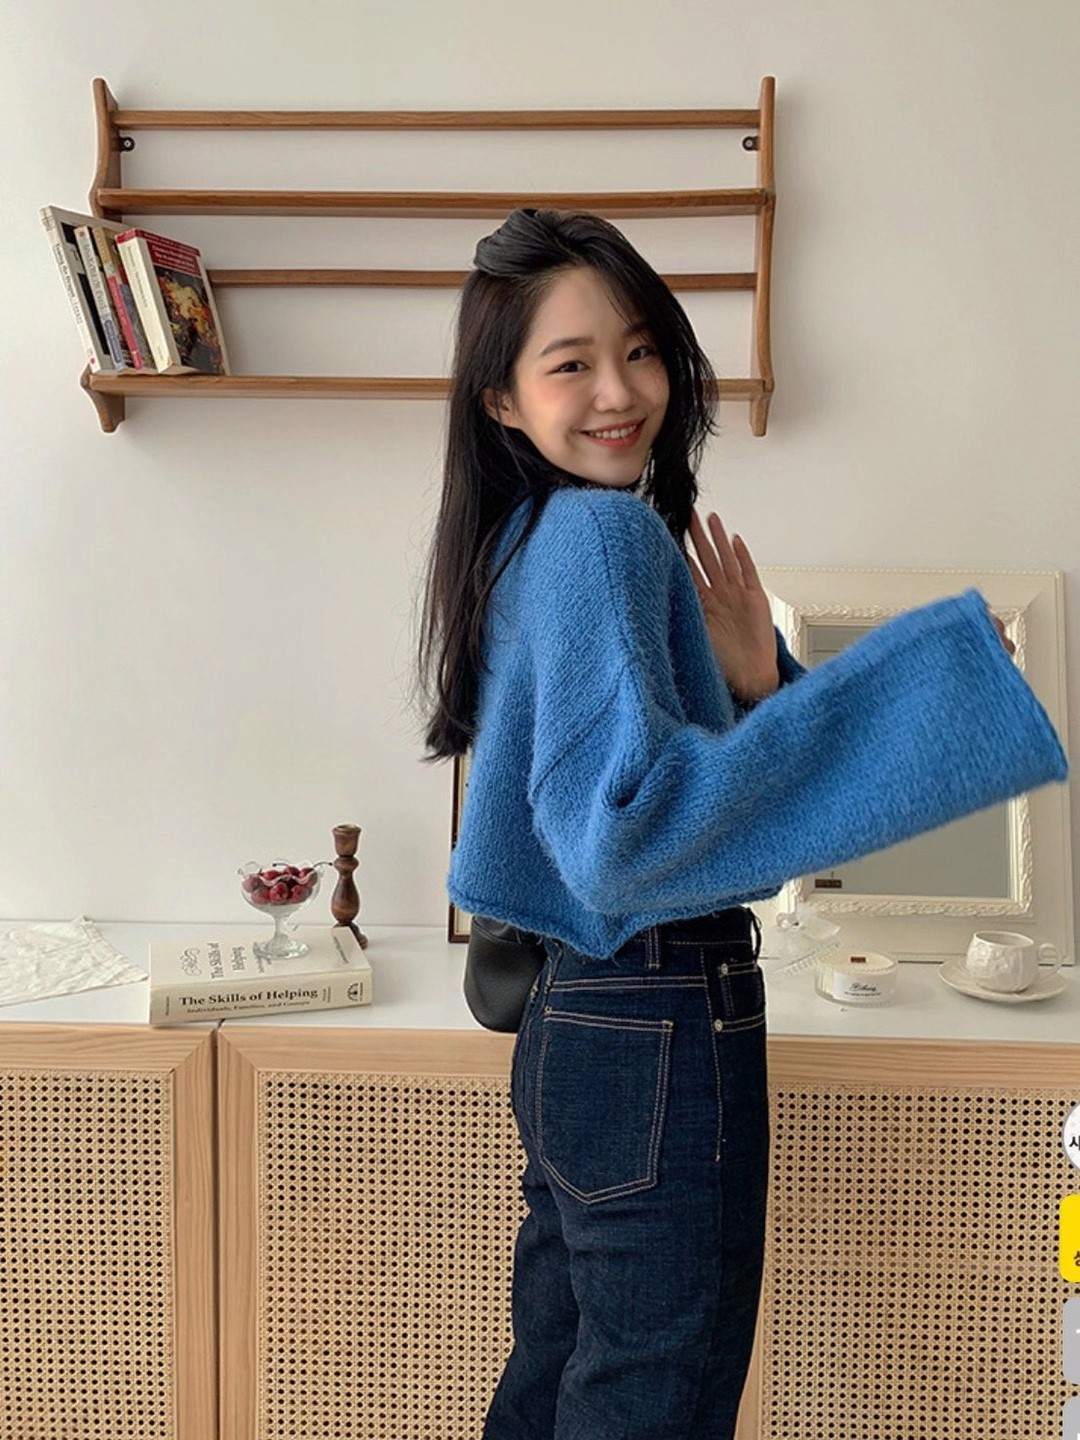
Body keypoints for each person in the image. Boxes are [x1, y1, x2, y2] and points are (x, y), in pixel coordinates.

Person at [413, 207, 1067, 1439]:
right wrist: (923, 692)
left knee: (565, 1374)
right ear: (501, 400)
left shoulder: (525, 538)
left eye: (641, 349)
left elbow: (600, 811)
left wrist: (755, 682)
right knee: (651, 1398)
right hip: (657, 1005)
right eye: (571, 364)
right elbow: (629, 833)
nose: (621, 391)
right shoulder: (604, 533)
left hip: (575, 1016)